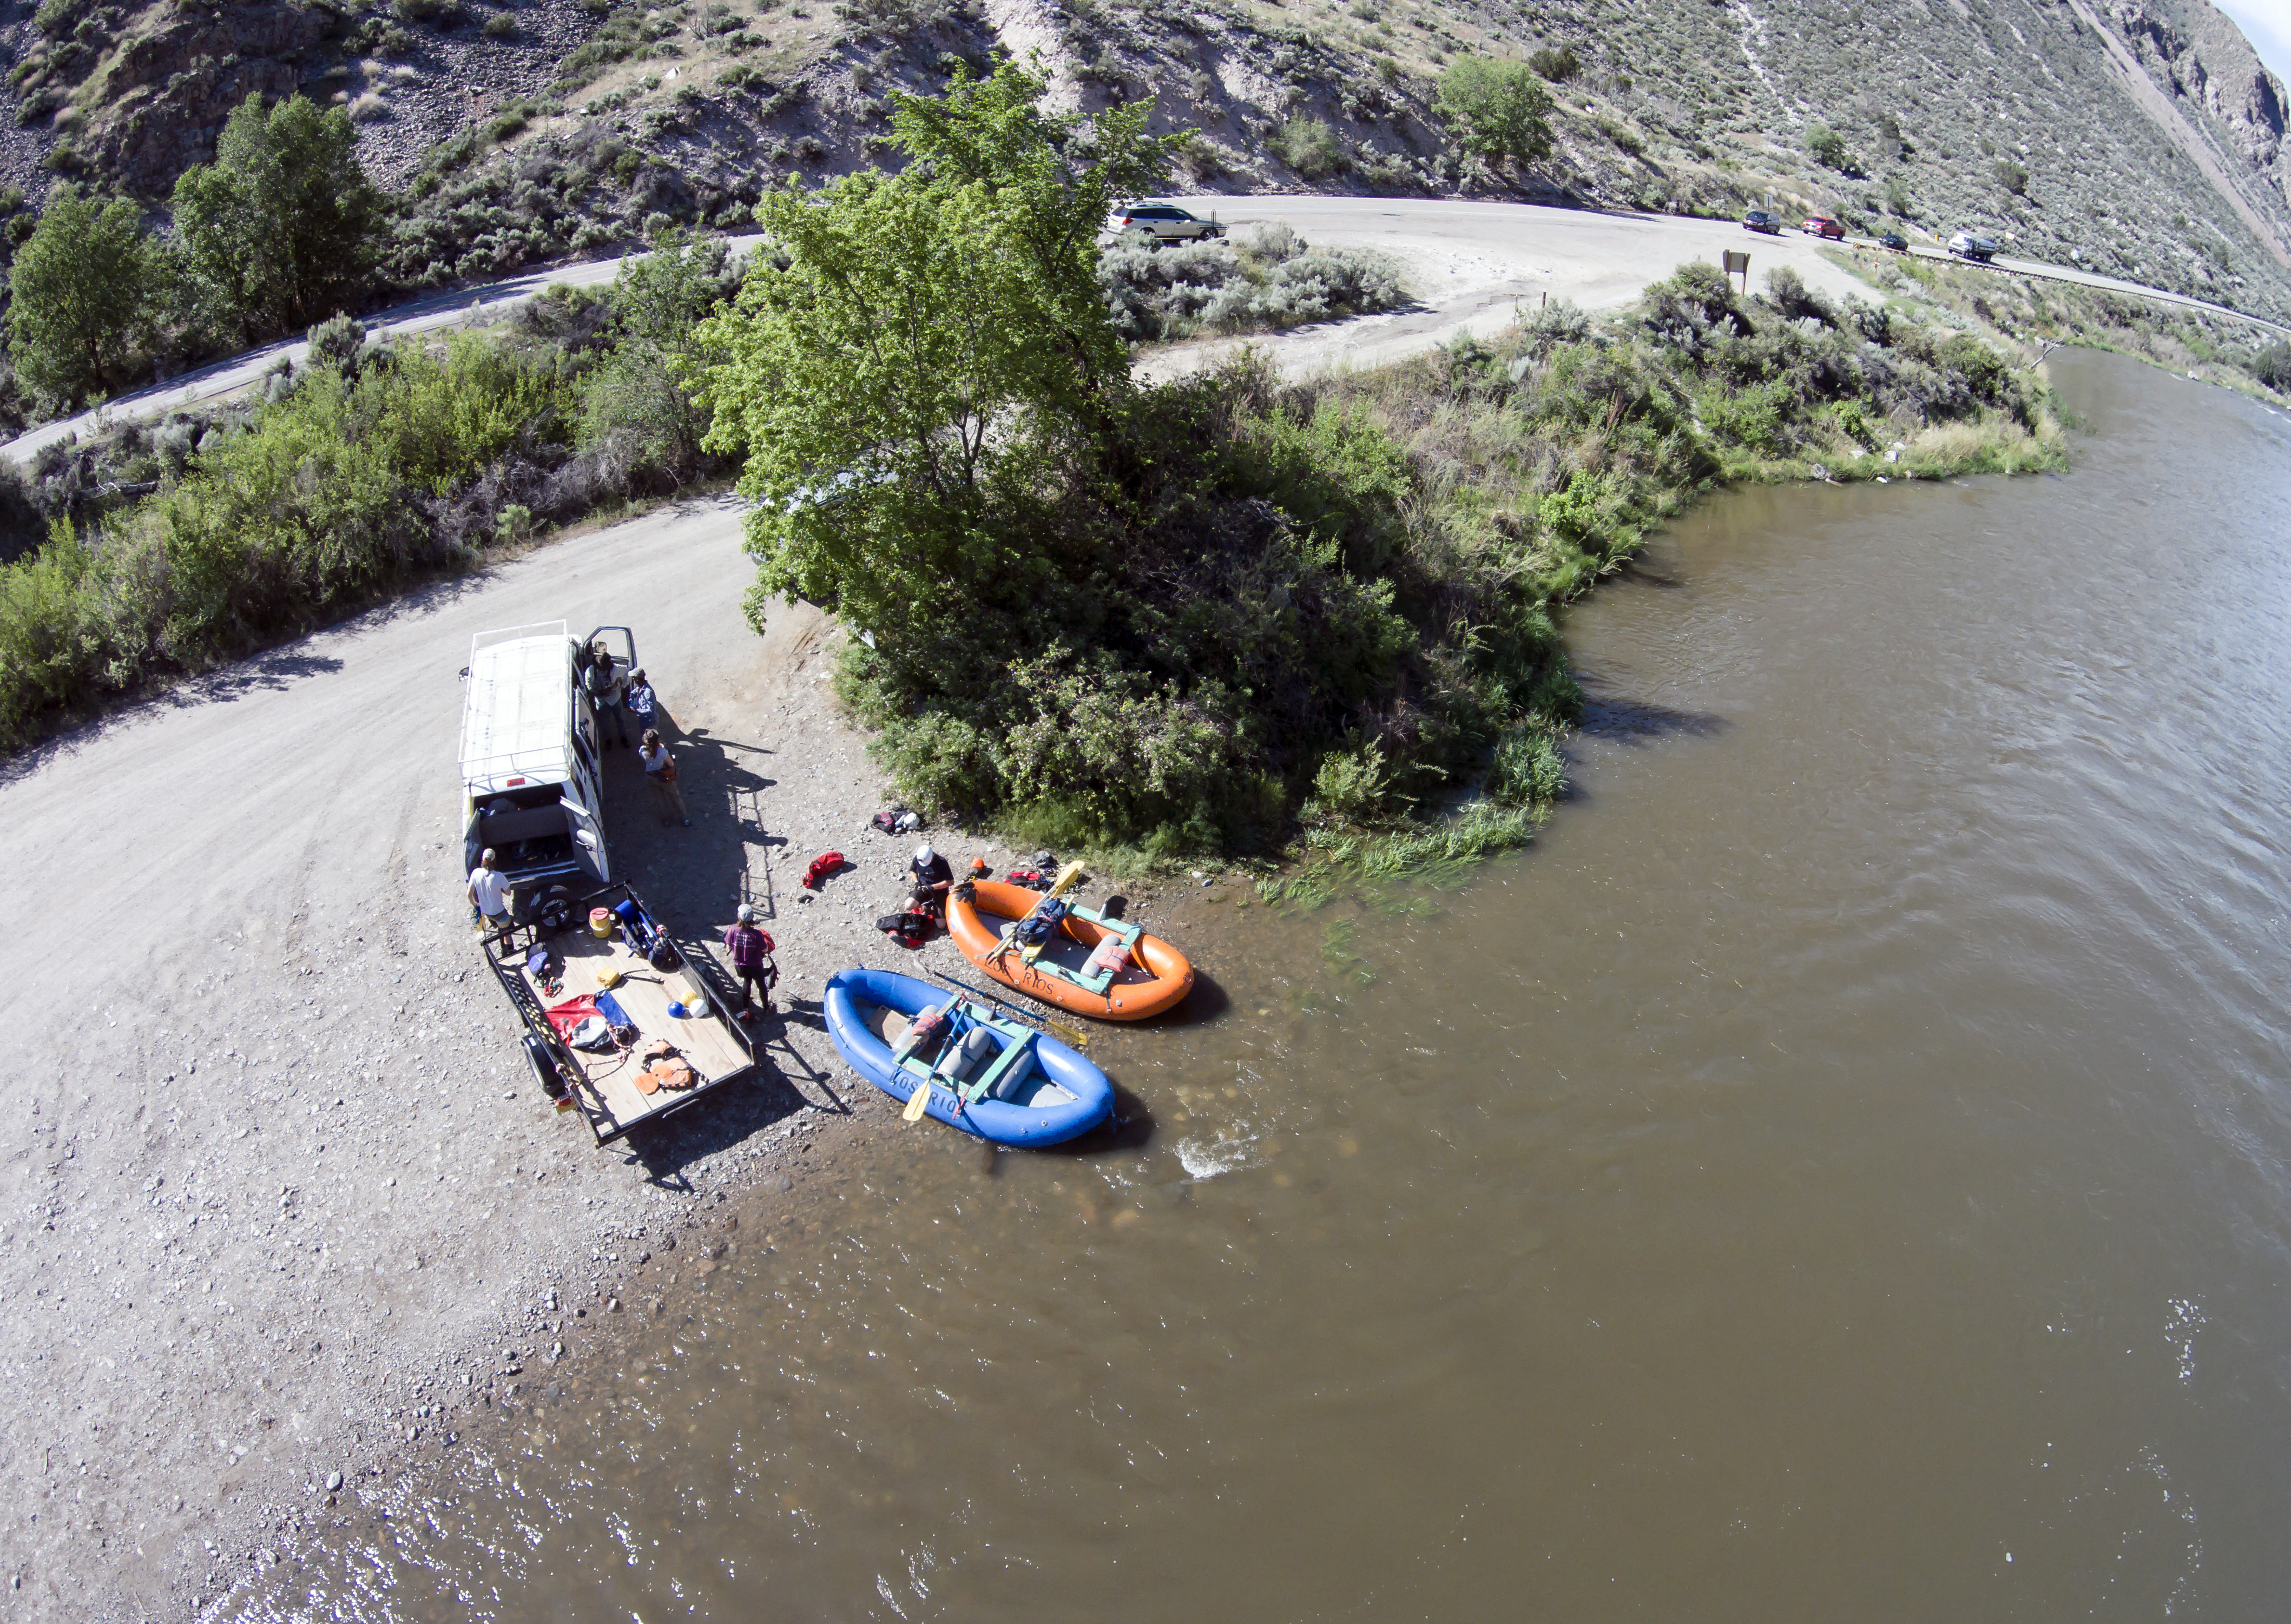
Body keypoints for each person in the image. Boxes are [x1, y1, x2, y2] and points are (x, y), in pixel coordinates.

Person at [722, 903, 776, 1018]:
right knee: (761, 985)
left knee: (747, 981)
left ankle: (746, 1009)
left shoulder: (732, 930)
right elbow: (765, 949)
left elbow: (728, 946)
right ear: (752, 918)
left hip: (740, 966)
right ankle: (766, 1008)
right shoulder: (757, 934)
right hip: (755, 965)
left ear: (739, 916)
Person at [638, 728, 688, 826]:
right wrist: (662, 748)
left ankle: (666, 821)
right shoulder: (662, 752)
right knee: (675, 798)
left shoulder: (642, 751)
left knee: (660, 799)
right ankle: (685, 819)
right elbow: (671, 764)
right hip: (665, 778)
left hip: (652, 777)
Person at [583, 641, 628, 748]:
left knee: (620, 719)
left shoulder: (617, 669)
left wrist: (621, 685)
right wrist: (594, 691)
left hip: (615, 699)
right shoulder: (591, 671)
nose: (603, 669)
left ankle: (623, 737)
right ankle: (608, 739)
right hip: (601, 702)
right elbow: (588, 683)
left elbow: (628, 674)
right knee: (604, 722)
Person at [466, 848, 513, 947]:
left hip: (486, 912)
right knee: (507, 933)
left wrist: (476, 905)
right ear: (494, 861)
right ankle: (509, 951)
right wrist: (499, 888)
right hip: (499, 913)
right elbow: (508, 893)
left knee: (501, 928)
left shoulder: (475, 873)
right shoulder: (499, 876)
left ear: (482, 860)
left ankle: (503, 942)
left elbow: (469, 894)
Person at [909, 842, 953, 914]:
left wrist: (932, 887)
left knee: (941, 925)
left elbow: (950, 882)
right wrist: (916, 882)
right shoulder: (918, 858)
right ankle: (925, 906)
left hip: (940, 892)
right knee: (909, 905)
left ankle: (935, 907)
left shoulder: (941, 862)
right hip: (923, 889)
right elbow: (913, 870)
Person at [623, 666, 657, 735]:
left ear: (637, 679)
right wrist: (629, 696)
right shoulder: (640, 686)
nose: (633, 679)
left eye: (634, 678)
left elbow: (650, 711)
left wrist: (636, 710)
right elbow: (635, 692)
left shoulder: (648, 692)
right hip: (643, 721)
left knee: (649, 741)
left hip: (649, 724)